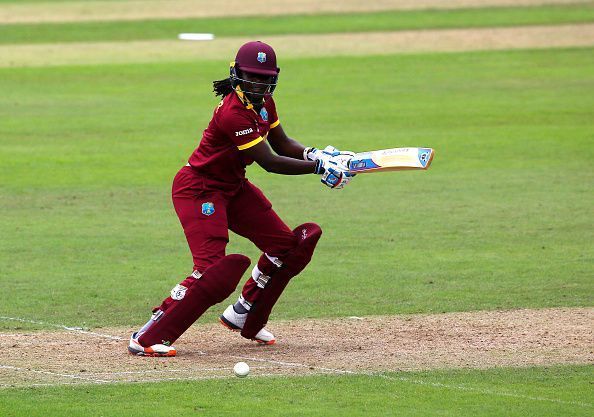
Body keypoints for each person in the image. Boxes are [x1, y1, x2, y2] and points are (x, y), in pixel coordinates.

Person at [128, 41, 354, 357]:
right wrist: (318, 167)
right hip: (200, 189)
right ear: (237, 74)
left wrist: (314, 153)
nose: (258, 83)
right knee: (212, 269)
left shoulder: (265, 103)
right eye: (252, 76)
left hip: (233, 187)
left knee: (286, 248)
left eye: (264, 77)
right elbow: (270, 162)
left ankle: (244, 309)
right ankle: (149, 333)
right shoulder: (233, 113)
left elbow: (283, 144)